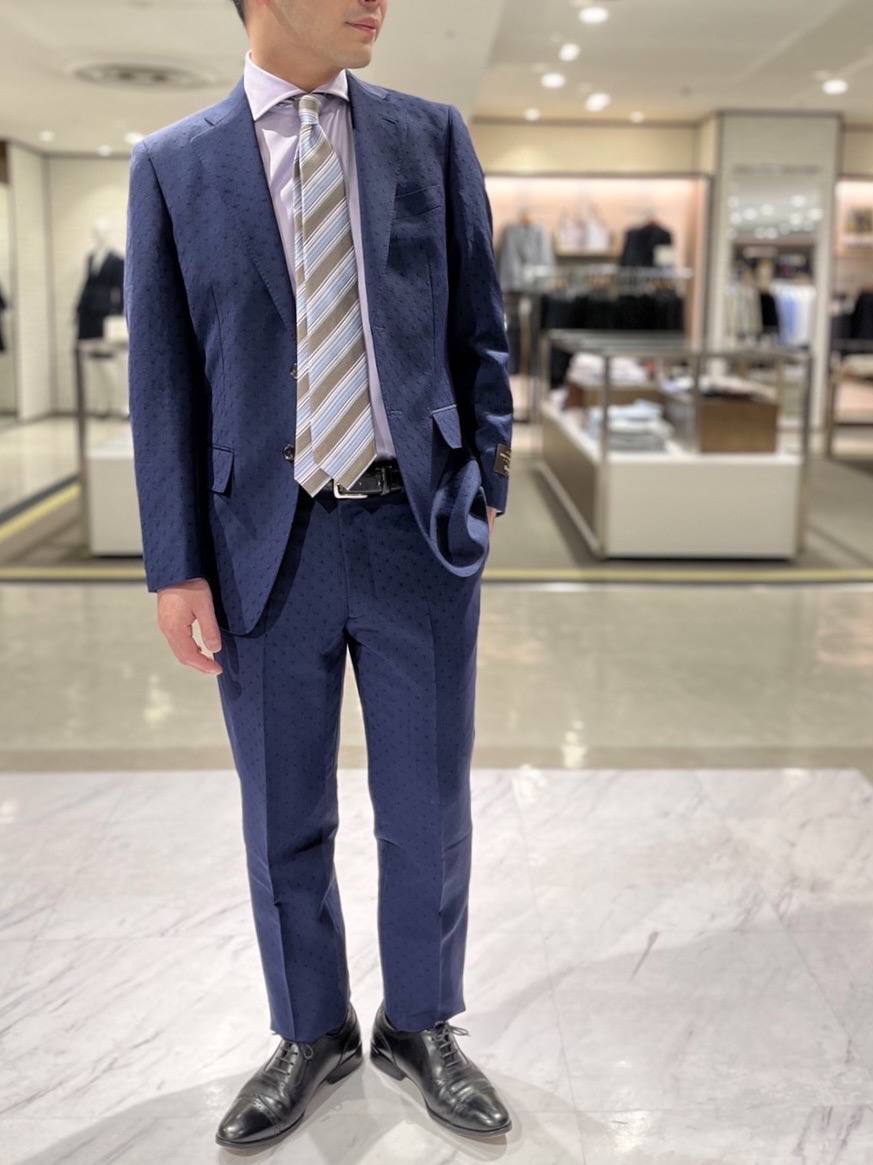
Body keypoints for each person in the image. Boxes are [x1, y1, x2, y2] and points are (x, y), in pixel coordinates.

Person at [124, 0, 513, 1149]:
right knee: (282, 812)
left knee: (427, 806)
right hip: (261, 544)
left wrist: (485, 476)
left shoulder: (428, 136)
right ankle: (313, 1027)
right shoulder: (174, 166)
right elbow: (163, 381)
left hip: (414, 536)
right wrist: (173, 564)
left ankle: (421, 1021)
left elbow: (479, 323)